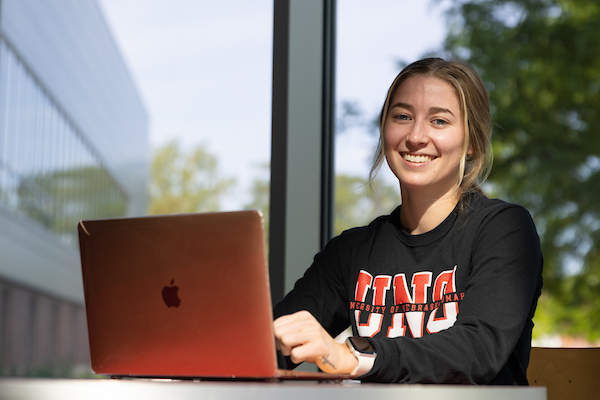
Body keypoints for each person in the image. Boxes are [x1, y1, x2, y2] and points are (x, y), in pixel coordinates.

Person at [272, 57, 543, 384]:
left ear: (472, 143)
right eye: (402, 116)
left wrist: (354, 355)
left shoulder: (504, 230)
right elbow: (267, 344)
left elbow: (478, 351)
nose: (416, 136)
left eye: (439, 121)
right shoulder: (352, 251)